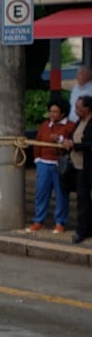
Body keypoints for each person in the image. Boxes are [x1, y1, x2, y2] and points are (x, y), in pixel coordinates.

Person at [30, 102, 76, 233]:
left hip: (59, 164)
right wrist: (37, 160)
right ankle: (38, 220)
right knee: (41, 193)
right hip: (43, 163)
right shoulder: (45, 125)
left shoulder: (70, 126)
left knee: (61, 194)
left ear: (63, 113)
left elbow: (72, 142)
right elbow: (37, 143)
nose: (52, 114)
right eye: (50, 111)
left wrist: (59, 139)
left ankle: (60, 222)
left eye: (55, 112)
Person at [63, 95, 92, 244]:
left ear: (87, 109)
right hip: (78, 166)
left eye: (79, 108)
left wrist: (76, 145)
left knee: (86, 200)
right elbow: (72, 137)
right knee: (82, 200)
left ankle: (84, 230)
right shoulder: (79, 122)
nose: (76, 110)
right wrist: (68, 142)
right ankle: (84, 229)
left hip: (88, 166)